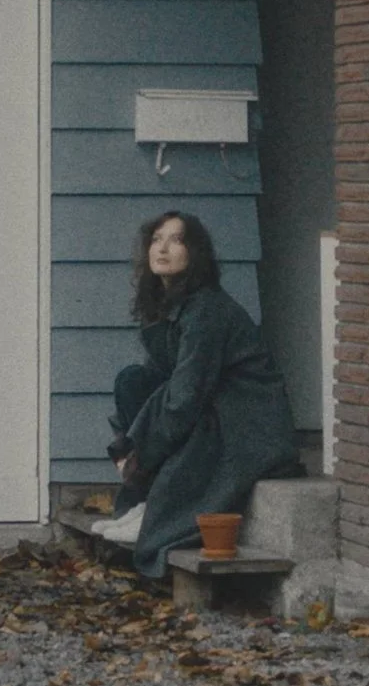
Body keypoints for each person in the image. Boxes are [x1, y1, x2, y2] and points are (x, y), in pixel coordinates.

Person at [90, 210, 302, 579]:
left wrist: (140, 453)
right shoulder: (170, 303)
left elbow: (187, 395)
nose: (163, 248)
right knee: (134, 381)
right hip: (215, 405)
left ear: (195, 252)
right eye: (157, 239)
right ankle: (145, 503)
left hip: (252, 424)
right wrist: (136, 445)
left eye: (176, 240)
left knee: (181, 412)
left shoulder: (207, 310)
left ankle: (157, 514)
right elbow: (166, 383)